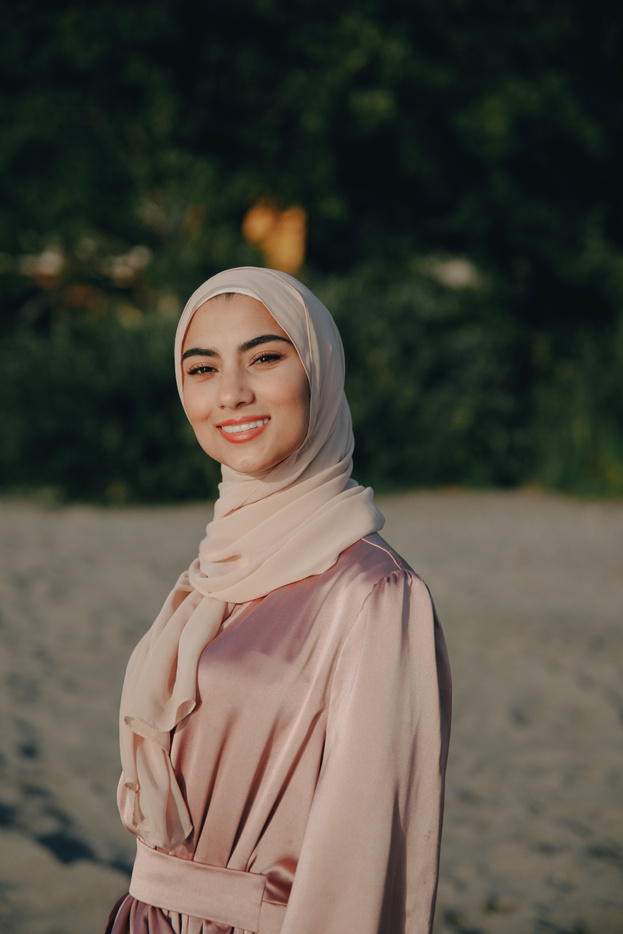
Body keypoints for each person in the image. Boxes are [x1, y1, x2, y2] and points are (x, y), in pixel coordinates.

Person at [106, 266, 451, 934]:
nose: (231, 394)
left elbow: (360, 863)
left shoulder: (374, 592)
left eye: (264, 358)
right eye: (201, 369)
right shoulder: (215, 566)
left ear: (318, 371)